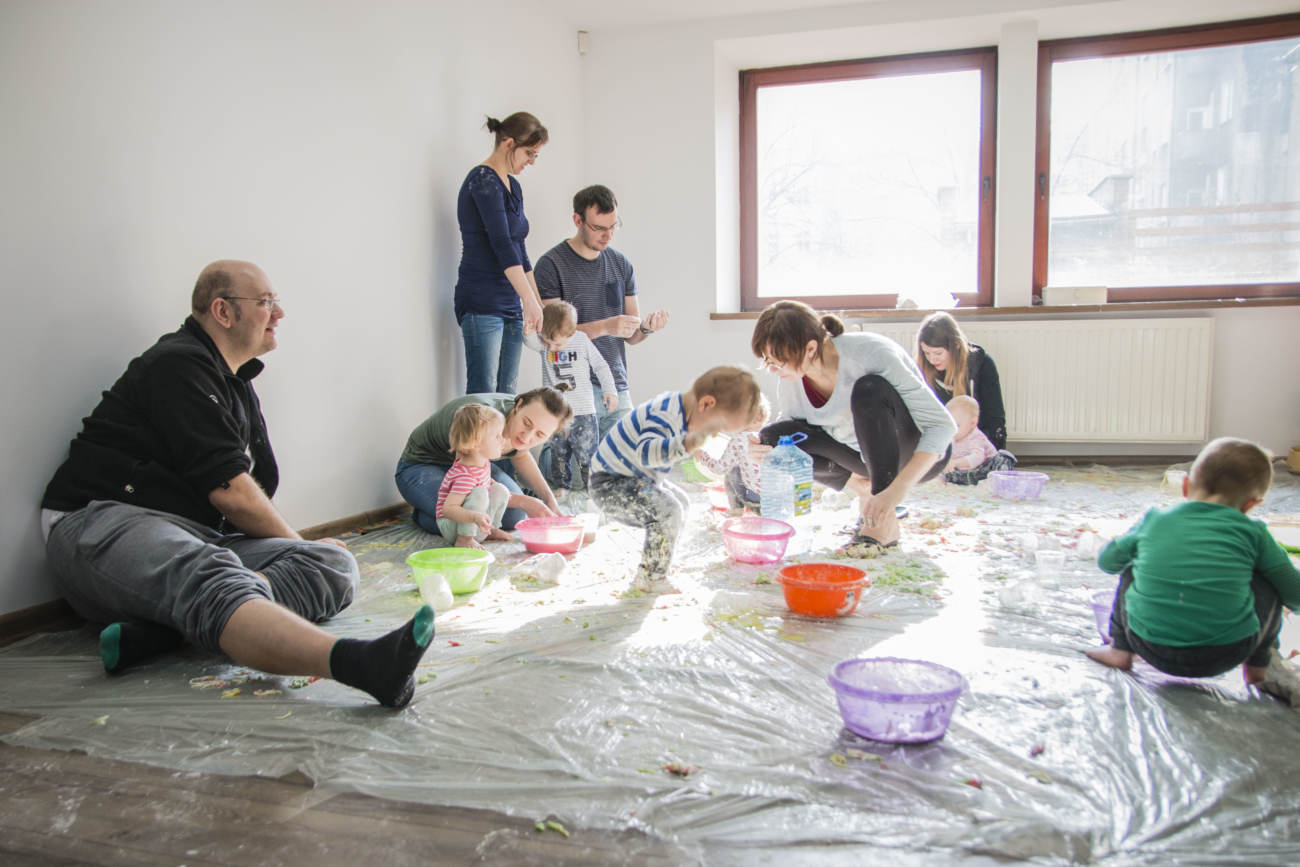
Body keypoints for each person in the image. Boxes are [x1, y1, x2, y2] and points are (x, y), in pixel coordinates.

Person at [41, 261, 433, 708]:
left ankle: (160, 635)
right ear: (223, 312)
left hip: (192, 532)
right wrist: (294, 544)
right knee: (217, 572)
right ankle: (361, 664)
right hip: (100, 521)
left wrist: (304, 551)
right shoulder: (176, 364)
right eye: (266, 302)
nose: (278, 313)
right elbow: (231, 492)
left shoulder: (232, 381)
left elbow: (248, 490)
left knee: (332, 564)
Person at [1086, 437, 1300, 684]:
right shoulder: (1254, 533)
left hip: (1148, 645)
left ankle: (1119, 650)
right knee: (1269, 576)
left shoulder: (1154, 521)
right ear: (1251, 504)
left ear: (1186, 486)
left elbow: (1107, 562)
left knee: (1133, 564)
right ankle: (1257, 667)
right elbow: (1295, 595)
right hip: (1228, 653)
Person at [752, 300, 956, 552]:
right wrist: (763, 449)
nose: (772, 370)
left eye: (778, 362)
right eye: (767, 361)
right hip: (863, 459)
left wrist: (893, 493)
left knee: (868, 389)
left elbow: (942, 426)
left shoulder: (870, 353)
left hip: (916, 453)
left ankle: (883, 518)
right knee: (774, 438)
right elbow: (793, 435)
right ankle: (865, 489)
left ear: (810, 348)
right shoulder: (791, 382)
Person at [589, 366, 760, 591]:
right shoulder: (665, 415)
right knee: (669, 510)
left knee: (682, 502)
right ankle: (652, 577)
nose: (713, 435)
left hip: (632, 478)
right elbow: (646, 454)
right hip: (609, 485)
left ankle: (661, 561)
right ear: (706, 404)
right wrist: (689, 443)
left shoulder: (680, 408)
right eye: (716, 428)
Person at [536, 184, 670, 444]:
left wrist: (646, 328)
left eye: (613, 226)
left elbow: (631, 336)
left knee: (625, 460)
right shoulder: (551, 266)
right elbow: (549, 336)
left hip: (616, 386)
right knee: (571, 465)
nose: (608, 235)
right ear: (578, 220)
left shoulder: (621, 265)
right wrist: (606, 327)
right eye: (599, 228)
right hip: (571, 389)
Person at [455, 111, 548, 395]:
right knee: (484, 396)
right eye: (529, 153)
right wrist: (528, 300)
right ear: (509, 144)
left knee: (507, 396)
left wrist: (537, 304)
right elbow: (502, 243)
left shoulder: (513, 187)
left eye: (535, 155)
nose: (531, 162)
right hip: (481, 300)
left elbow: (519, 249)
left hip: (510, 302)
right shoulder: (483, 179)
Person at [396, 388, 573, 535]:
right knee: (466, 519)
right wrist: (525, 501)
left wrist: (549, 500)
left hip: (474, 463)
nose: (527, 437)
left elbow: (520, 454)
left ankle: (431, 506)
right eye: (526, 423)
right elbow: (466, 478)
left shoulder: (524, 418)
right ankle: (424, 514)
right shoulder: (484, 418)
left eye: (540, 434)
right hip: (421, 466)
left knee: (514, 516)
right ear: (518, 405)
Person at [522, 301, 618, 498]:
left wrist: (610, 390)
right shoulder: (545, 342)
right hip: (555, 413)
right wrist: (528, 332)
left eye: (557, 344)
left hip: (583, 411)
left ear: (571, 334)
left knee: (587, 453)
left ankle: (593, 488)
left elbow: (601, 366)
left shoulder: (581, 341)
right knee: (559, 452)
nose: (551, 348)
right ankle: (562, 486)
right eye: (547, 342)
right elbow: (531, 342)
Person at [915, 311, 1008, 450]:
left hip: (976, 443)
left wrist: (993, 452)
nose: (932, 359)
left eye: (938, 353)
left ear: (956, 345)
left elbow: (995, 418)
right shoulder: (923, 368)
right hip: (942, 444)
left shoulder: (982, 365)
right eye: (927, 353)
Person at [434, 404, 513, 549]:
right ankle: (464, 539)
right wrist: (474, 517)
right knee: (480, 493)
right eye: (497, 436)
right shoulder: (464, 476)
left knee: (500, 489)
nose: (503, 440)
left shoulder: (483, 462)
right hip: (452, 527)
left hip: (474, 521)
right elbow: (449, 509)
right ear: (475, 443)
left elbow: (485, 482)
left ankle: (491, 529)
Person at [692, 394, 771, 515]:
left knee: (731, 470)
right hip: (775, 502)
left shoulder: (739, 439)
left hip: (757, 502)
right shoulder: (772, 435)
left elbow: (719, 468)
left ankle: (736, 510)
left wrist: (702, 457)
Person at [942, 396, 1017, 485]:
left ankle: (1001, 479)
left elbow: (977, 458)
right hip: (970, 471)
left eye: (956, 426)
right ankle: (962, 479)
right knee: (946, 472)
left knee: (1003, 458)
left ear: (972, 423)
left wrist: (955, 463)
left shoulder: (976, 437)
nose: (952, 431)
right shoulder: (953, 437)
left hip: (986, 467)